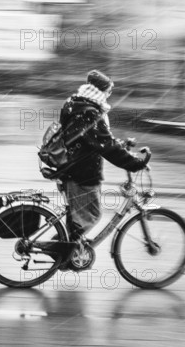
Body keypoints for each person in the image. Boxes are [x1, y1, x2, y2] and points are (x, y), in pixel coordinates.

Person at [59, 70, 150, 242]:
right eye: (109, 91)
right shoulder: (89, 111)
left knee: (77, 220)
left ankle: (70, 251)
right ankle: (62, 251)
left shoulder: (75, 103)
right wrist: (135, 163)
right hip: (82, 173)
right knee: (91, 216)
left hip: (71, 167)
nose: (109, 95)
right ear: (100, 91)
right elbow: (105, 145)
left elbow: (94, 140)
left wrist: (121, 146)